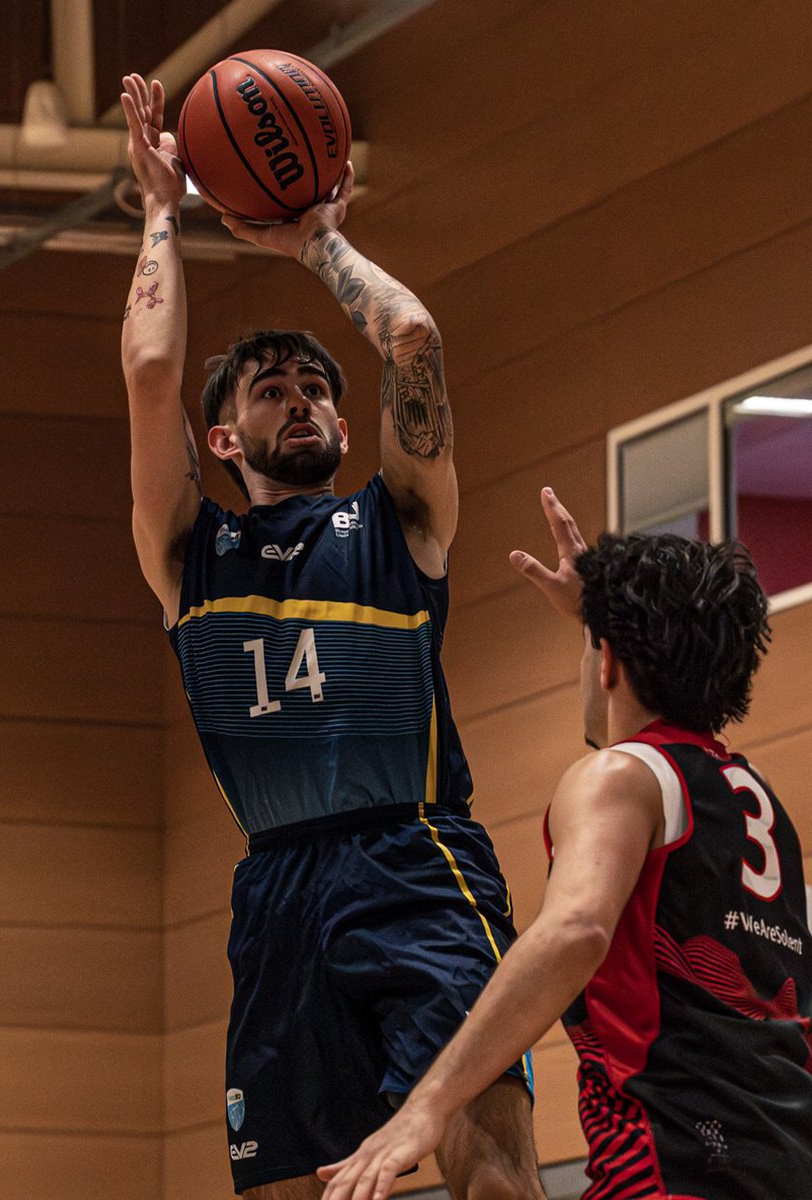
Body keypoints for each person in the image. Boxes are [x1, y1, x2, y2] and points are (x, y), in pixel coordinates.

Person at [119, 74, 546, 1200]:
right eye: (270, 389)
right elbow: (153, 371)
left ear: (347, 423)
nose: (300, 398)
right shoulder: (184, 550)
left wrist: (315, 239)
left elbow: (409, 335)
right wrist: (163, 203)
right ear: (224, 435)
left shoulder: (398, 521)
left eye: (316, 386)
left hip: (418, 862)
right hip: (276, 892)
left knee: (491, 1168)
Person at [318, 487, 812, 1200]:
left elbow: (577, 928)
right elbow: (627, 748)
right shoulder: (751, 791)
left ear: (609, 660)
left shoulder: (620, 779)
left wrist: (428, 1104)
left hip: (672, 1170)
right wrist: (598, 623)